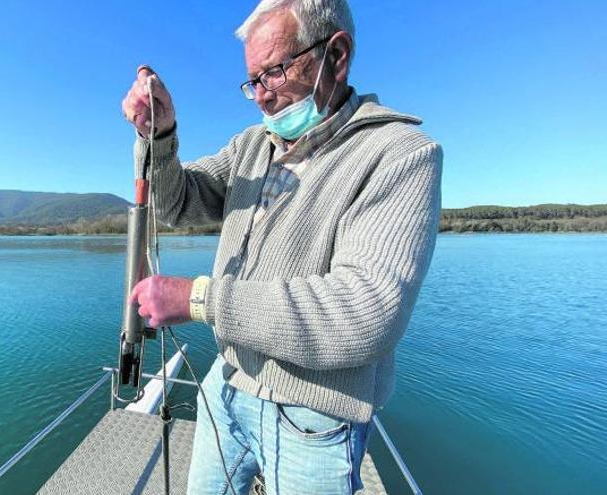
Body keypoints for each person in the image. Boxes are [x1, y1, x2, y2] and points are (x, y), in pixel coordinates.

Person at [122, 0, 442, 493]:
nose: (261, 97)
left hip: (315, 419)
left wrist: (199, 298)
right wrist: (160, 136)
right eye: (253, 80)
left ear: (336, 54)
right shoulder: (252, 145)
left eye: (273, 72)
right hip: (227, 380)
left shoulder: (400, 155)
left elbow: (365, 313)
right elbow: (177, 204)